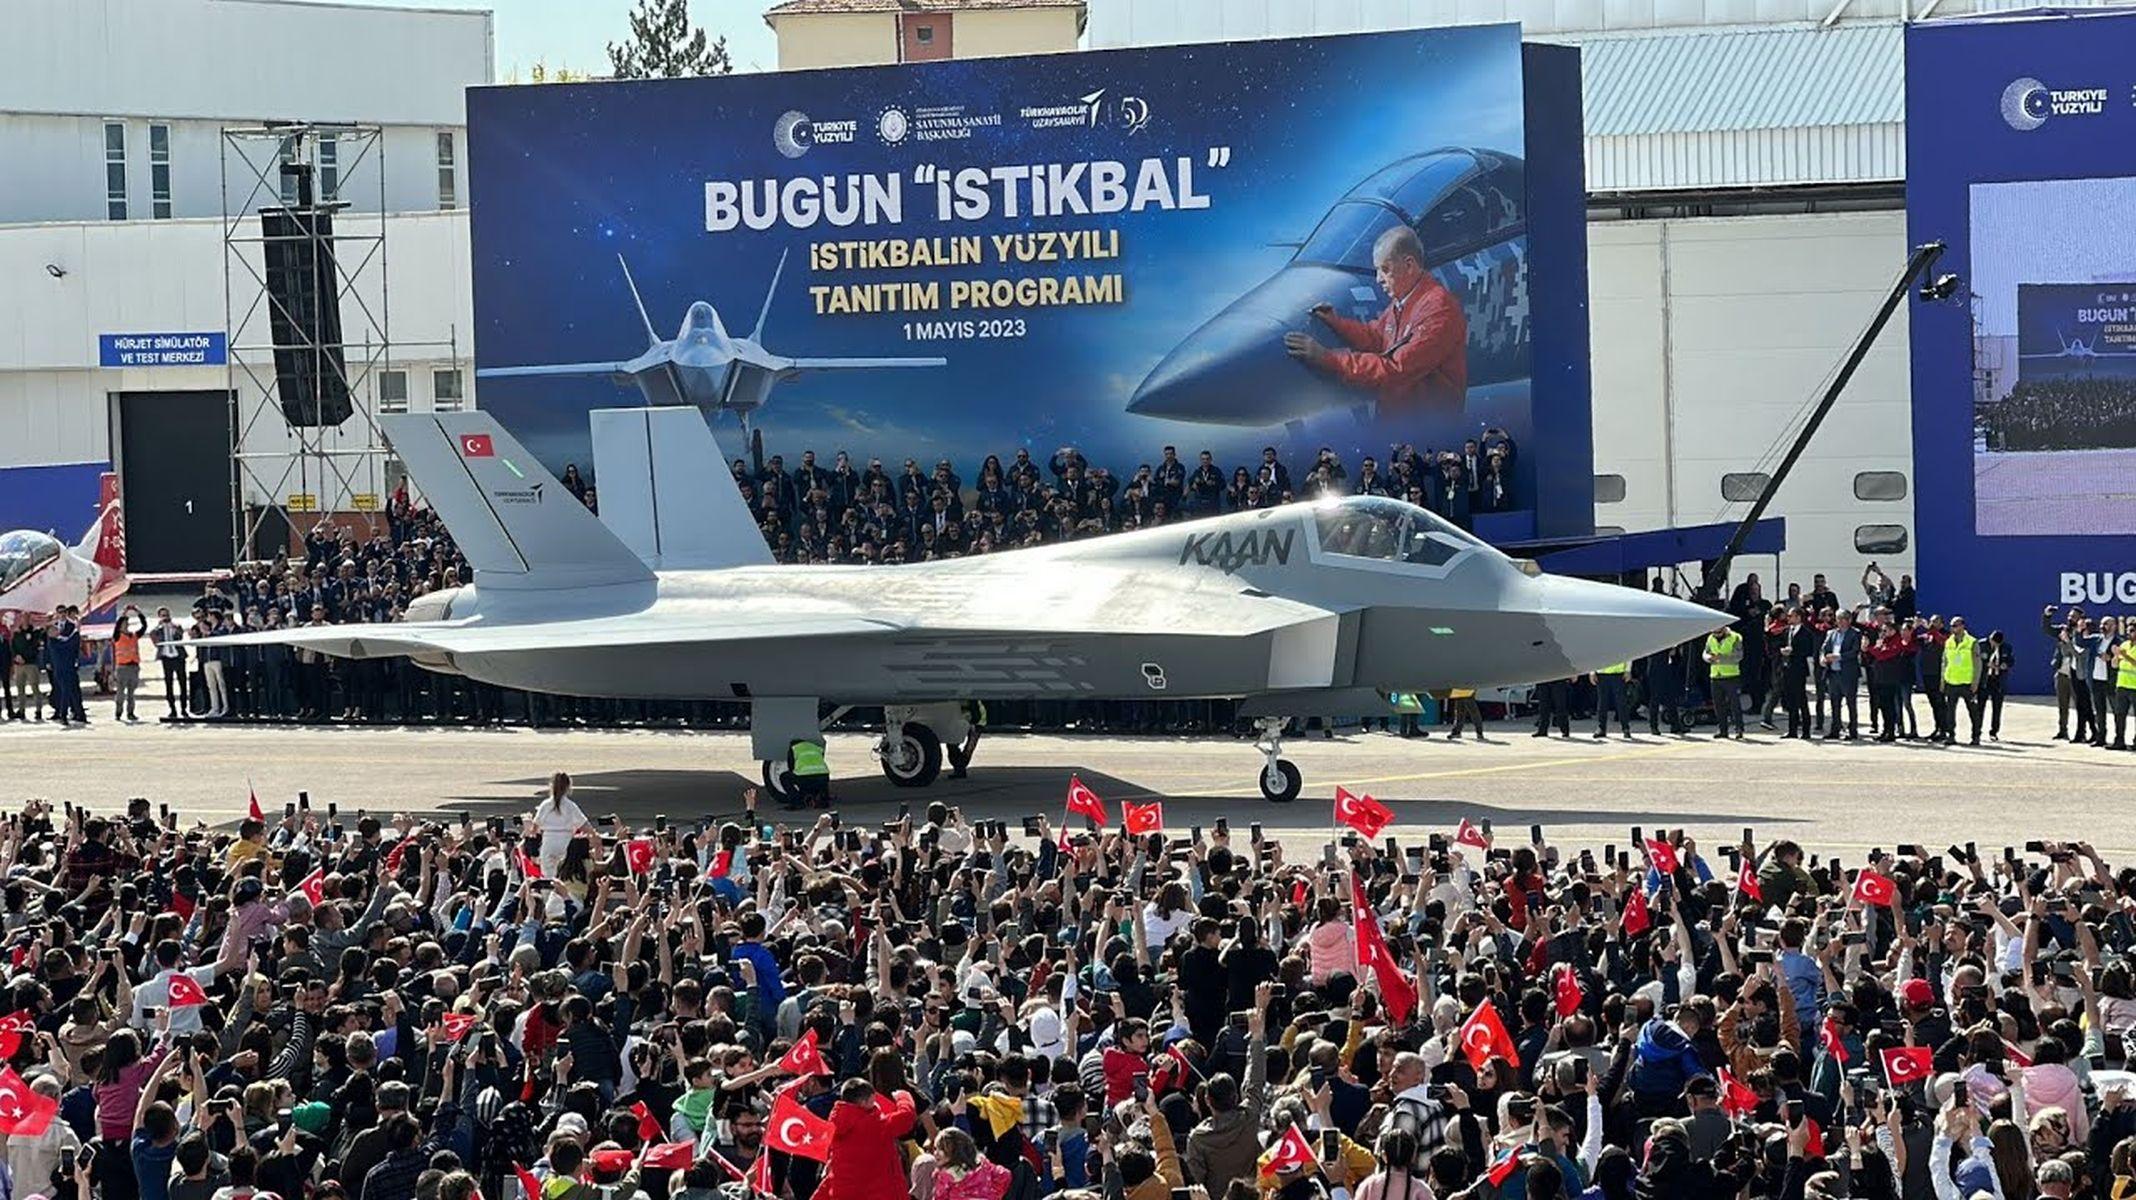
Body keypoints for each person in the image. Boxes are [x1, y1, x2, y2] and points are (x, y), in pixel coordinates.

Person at [1283, 225, 1467, 412]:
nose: (1379, 279)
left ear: (1409, 265)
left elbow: (1396, 369)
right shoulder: (1405, 301)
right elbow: (1377, 337)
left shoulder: (1438, 309)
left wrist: (1329, 359)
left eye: (1385, 270)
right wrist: (1336, 322)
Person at [531, 771, 592, 876]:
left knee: (548, 876)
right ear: (568, 787)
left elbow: (534, 828)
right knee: (564, 875)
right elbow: (585, 826)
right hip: (566, 842)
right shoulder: (570, 806)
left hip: (549, 842)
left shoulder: (545, 805)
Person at [1703, 625, 1745, 739]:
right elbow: (1705, 652)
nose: (1715, 635)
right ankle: (1722, 730)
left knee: (1734, 704)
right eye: (1714, 633)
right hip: (1715, 675)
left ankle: (1739, 729)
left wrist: (1719, 658)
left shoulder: (1735, 637)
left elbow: (1738, 656)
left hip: (1731, 675)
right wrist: (1708, 658)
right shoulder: (1710, 638)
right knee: (1718, 705)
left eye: (1718, 633)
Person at [112, 604, 147, 722]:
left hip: (134, 666)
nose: (125, 625)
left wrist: (138, 612)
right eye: (124, 623)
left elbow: (144, 626)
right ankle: (118, 712)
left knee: (131, 693)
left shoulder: (134, 635)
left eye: (127, 623)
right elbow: (117, 625)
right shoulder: (117, 636)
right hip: (122, 666)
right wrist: (125, 612)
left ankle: (130, 712)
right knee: (120, 692)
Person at [1590, 660, 1631, 740]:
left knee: (1621, 702)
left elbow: (1627, 654)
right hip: (1601, 673)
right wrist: (1592, 672)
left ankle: (1625, 728)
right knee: (1602, 703)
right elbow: (1593, 655)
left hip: (1618, 673)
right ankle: (1601, 728)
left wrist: (1628, 670)